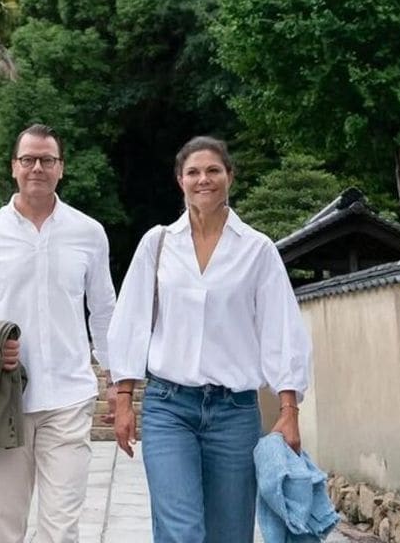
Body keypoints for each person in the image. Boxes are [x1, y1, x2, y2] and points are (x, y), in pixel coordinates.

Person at [107, 135, 312, 543]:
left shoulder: (257, 250)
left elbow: (282, 330)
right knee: (181, 531)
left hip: (234, 413)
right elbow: (130, 320)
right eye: (194, 172)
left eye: (213, 170)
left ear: (230, 177)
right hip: (170, 408)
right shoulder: (158, 243)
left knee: (230, 533)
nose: (204, 179)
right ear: (180, 180)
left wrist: (288, 409)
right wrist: (125, 398)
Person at [0, 123, 117, 543]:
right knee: (6, 524)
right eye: (28, 159)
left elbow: (104, 310)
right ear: (13, 168)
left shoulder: (89, 233)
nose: (37, 167)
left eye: (47, 160)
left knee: (62, 528)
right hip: (5, 398)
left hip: (70, 396)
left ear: (61, 168)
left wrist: (116, 378)